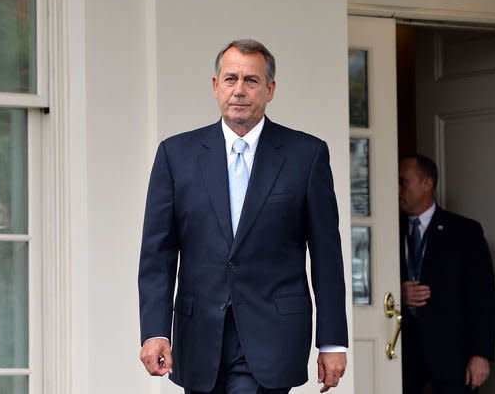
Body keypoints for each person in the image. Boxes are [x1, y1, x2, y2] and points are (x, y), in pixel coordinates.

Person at [138, 39, 348, 394]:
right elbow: (157, 254)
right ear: (215, 86)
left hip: (273, 337)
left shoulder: (306, 156)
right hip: (199, 336)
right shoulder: (176, 155)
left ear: (270, 90)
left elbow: (327, 256)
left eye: (251, 80)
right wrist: (155, 330)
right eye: (231, 78)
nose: (239, 90)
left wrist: (331, 342)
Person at [398, 155, 495, 394]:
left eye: (403, 182)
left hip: (452, 353)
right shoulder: (387, 228)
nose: (398, 189)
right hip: (401, 352)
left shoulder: (464, 231)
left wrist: (480, 353)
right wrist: (396, 292)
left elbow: (482, 296)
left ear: (427, 184)